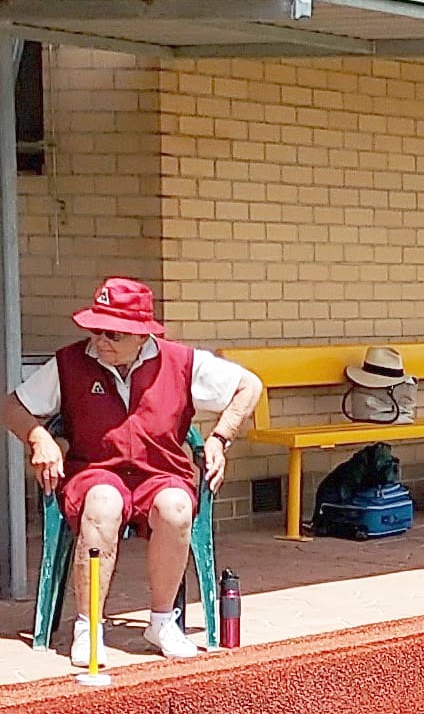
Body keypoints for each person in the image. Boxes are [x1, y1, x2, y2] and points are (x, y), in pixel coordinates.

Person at [2, 277, 263, 662]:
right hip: (95, 471)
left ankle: (161, 622)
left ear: (142, 336)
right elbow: (11, 406)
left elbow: (250, 385)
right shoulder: (70, 362)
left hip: (161, 472)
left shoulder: (182, 362)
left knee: (176, 507)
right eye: (95, 330)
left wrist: (219, 438)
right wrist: (39, 437)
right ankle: (88, 626)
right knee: (103, 503)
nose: (100, 341)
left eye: (113, 333)